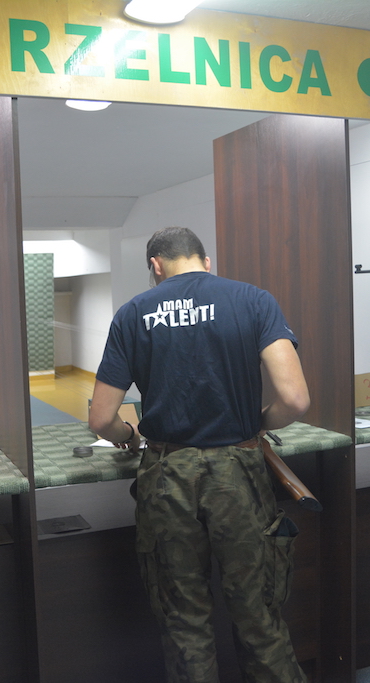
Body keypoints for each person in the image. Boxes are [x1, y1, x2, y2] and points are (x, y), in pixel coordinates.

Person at [89, 226, 310, 683]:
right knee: (259, 615)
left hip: (166, 476)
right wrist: (256, 424)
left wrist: (129, 435)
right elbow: (295, 400)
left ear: (155, 265)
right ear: (205, 261)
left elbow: (101, 419)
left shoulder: (133, 314)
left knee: (184, 620)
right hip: (239, 474)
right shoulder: (254, 301)